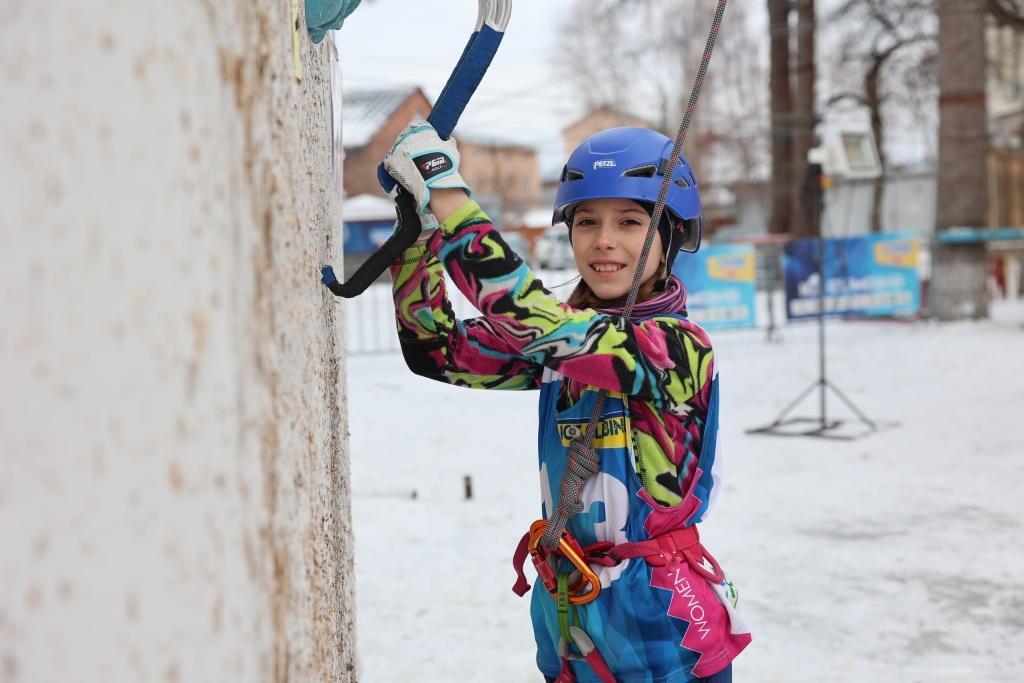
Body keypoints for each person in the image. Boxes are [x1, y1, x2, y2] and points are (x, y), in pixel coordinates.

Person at [379, 122, 751, 682]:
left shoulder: (676, 347)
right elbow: (436, 350)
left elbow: (538, 325)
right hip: (572, 612)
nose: (604, 241)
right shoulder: (560, 344)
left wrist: (444, 188)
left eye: (631, 223)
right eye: (587, 222)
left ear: (671, 235)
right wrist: (421, 235)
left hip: (662, 622)